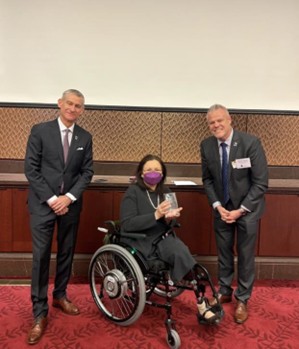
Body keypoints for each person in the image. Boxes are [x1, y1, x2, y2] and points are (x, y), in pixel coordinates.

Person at [24, 89, 94, 345]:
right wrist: (54, 200)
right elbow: (30, 168)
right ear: (60, 103)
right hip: (44, 205)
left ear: (82, 110)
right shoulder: (40, 131)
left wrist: (69, 198)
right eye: (69, 103)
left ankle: (60, 295)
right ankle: (39, 311)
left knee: (66, 251)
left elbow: (87, 172)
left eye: (78, 106)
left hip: (71, 206)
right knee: (41, 257)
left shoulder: (85, 137)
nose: (73, 109)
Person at [120, 154, 221, 324]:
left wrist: (170, 218)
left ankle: (201, 302)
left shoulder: (166, 192)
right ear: (141, 173)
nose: (153, 173)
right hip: (140, 239)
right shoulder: (133, 192)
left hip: (162, 236)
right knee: (179, 254)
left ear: (163, 173)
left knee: (182, 253)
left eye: (157, 170)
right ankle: (201, 303)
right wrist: (156, 214)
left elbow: (172, 218)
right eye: (149, 170)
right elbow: (127, 224)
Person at [200, 104, 268, 324]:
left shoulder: (250, 143)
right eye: (212, 122)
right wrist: (218, 205)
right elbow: (207, 180)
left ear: (230, 120)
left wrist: (240, 210)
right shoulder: (206, 145)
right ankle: (225, 290)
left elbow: (260, 183)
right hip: (222, 209)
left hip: (246, 210)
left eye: (220, 120)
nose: (216, 125)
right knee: (224, 253)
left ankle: (243, 298)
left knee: (246, 255)